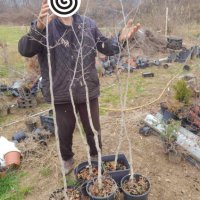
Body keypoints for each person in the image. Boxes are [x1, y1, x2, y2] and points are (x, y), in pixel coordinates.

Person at [18, 0, 140, 175]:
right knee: (64, 131)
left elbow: (105, 46)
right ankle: (67, 159)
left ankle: (96, 157)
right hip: (60, 92)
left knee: (93, 129)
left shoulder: (88, 24)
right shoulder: (46, 26)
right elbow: (25, 50)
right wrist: (39, 27)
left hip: (87, 89)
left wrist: (120, 39)